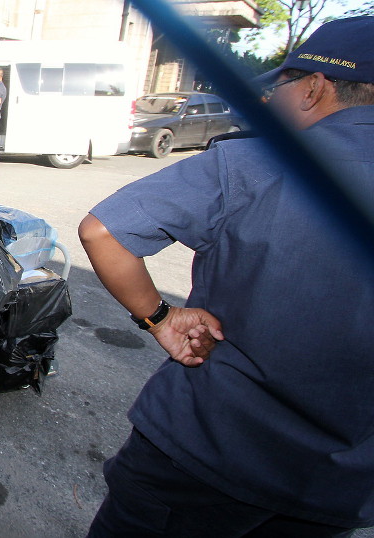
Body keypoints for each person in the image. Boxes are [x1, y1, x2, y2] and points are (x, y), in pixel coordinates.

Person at [78, 16, 374, 537]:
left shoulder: (252, 164)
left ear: (313, 88)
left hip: (202, 456)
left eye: (280, 87)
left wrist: (161, 317)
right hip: (334, 489)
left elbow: (104, 232)